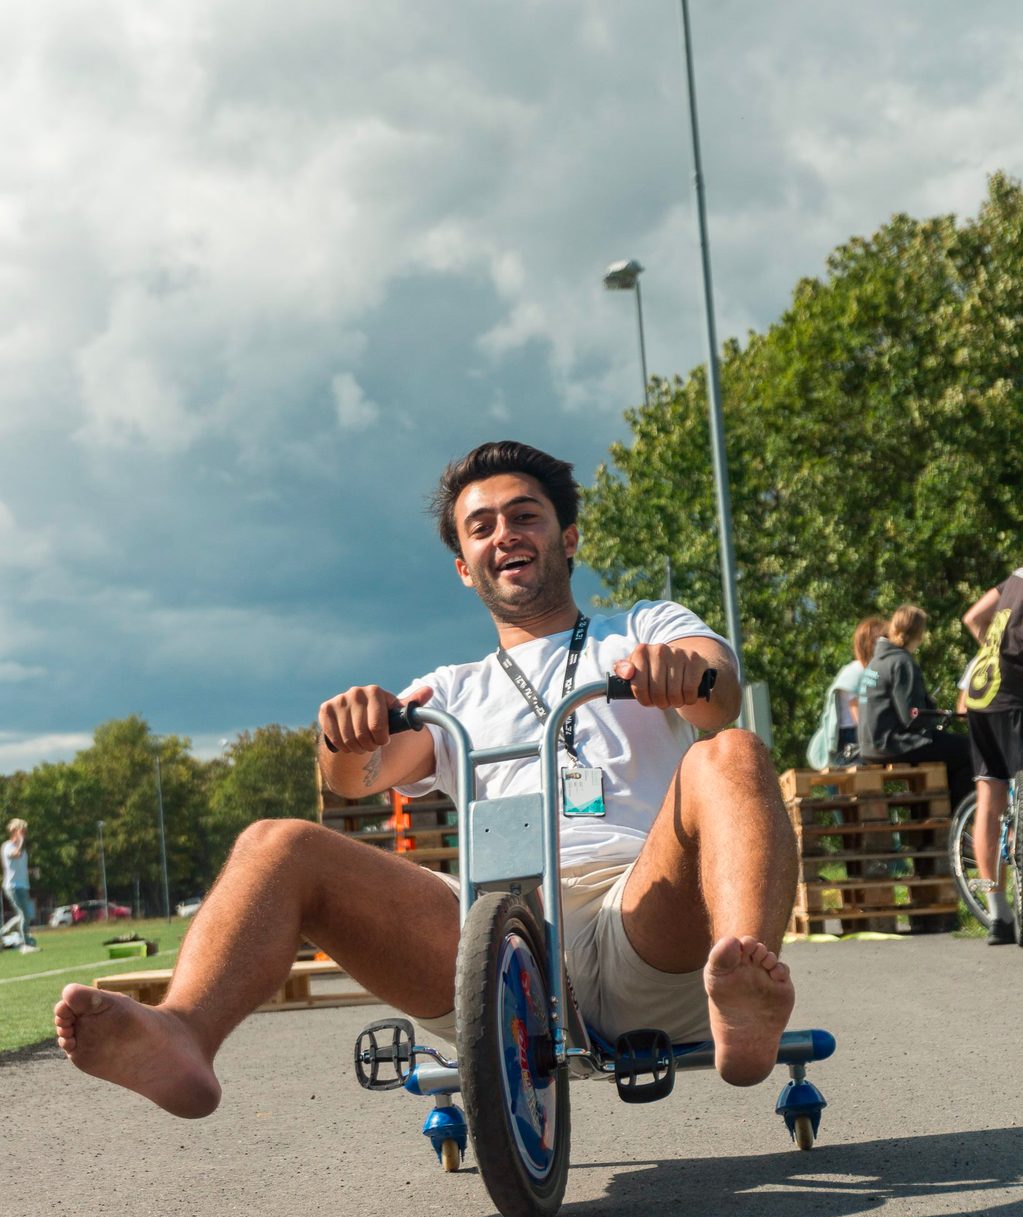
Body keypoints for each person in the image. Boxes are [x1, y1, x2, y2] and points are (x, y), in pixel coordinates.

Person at [54, 440, 798, 1119]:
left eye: (523, 516)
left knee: (729, 754)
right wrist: (349, 731)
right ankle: (182, 1031)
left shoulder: (639, 629)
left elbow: (719, 690)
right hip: (500, 941)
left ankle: (742, 983)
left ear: (566, 540)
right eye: (480, 527)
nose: (503, 533)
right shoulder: (448, 692)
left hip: (640, 915)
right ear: (462, 566)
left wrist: (680, 674)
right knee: (274, 843)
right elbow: (354, 779)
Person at [858, 604, 973, 808]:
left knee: (944, 751)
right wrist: (935, 713)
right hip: (893, 744)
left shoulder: (876, 661)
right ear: (918, 634)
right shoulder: (902, 662)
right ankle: (955, 817)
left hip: (870, 745)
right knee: (969, 750)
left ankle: (933, 820)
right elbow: (911, 717)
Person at [962, 568, 1023, 944]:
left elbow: (972, 618)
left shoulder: (1015, 578)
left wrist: (991, 651)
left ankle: (998, 913)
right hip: (1014, 693)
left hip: (981, 690)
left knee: (990, 800)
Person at [806, 616, 887, 768]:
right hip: (850, 738)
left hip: (855, 736)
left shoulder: (870, 671)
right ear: (865, 643)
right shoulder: (856, 671)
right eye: (878, 640)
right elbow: (858, 714)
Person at [2, 819, 38, 953]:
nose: (25, 833)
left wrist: (31, 872)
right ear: (15, 831)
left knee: (25, 915)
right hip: (12, 886)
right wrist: (21, 841)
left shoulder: (22, 849)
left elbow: (19, 868)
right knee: (23, 914)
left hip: (23, 885)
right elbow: (15, 855)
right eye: (22, 831)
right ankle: (25, 944)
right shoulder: (7, 846)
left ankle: (4, 933)